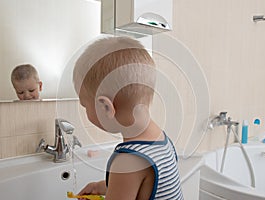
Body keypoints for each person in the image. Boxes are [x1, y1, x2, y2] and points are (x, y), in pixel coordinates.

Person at [73, 36, 184, 200]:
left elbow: (128, 179)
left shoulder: (127, 161)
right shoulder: (160, 139)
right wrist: (99, 187)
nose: (85, 111)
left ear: (105, 107)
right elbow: (137, 185)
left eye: (85, 106)